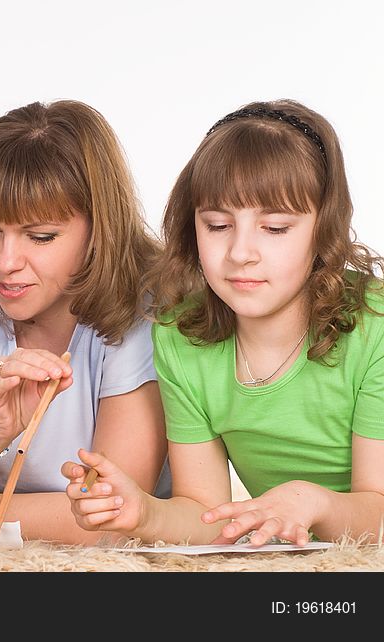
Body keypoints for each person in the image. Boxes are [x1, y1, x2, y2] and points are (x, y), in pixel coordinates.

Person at [63, 99, 384, 546]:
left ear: (324, 229)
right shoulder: (180, 335)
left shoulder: (376, 326)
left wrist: (313, 502)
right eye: (217, 225)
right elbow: (207, 513)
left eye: (274, 228)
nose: (240, 253)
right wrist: (142, 513)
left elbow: (379, 513)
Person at [0, 100, 169, 543]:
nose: (4, 262)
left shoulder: (147, 302)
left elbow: (110, 516)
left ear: (98, 227)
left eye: (40, 236)